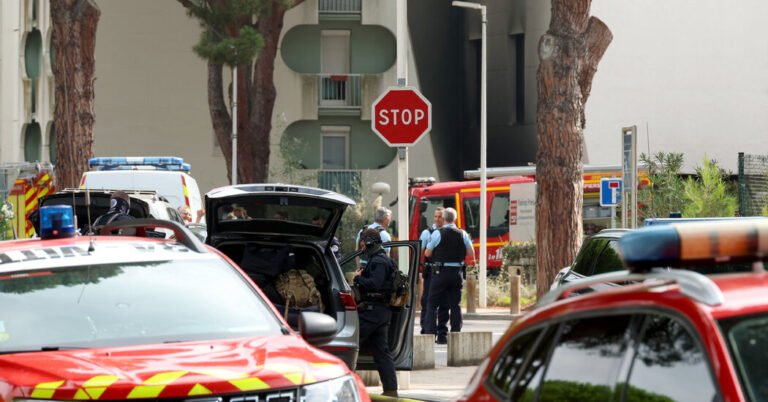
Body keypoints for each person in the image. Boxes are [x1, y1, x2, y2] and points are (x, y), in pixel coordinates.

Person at [353, 228, 398, 397]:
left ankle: (341, 384)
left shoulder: (378, 261)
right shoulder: (382, 259)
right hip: (379, 311)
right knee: (381, 352)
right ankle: (391, 390)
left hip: (373, 312)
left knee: (350, 344)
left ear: (370, 242)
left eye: (363, 241)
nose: (362, 245)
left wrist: (358, 278)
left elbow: (375, 284)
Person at [423, 207, 476, 344]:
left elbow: (427, 253)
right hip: (456, 273)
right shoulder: (462, 233)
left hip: (440, 273)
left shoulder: (437, 233)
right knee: (455, 305)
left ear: (444, 218)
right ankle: (455, 332)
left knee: (432, 304)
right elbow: (470, 253)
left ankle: (430, 332)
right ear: (455, 219)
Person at [419, 207, 445, 335]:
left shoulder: (447, 232)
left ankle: (440, 329)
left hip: (443, 271)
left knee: (442, 302)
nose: (437, 219)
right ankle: (425, 326)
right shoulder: (426, 233)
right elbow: (421, 252)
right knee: (426, 300)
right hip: (430, 270)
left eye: (440, 216)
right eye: (435, 216)